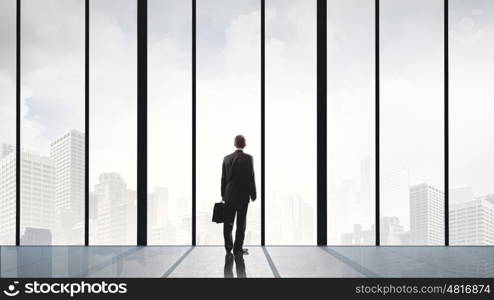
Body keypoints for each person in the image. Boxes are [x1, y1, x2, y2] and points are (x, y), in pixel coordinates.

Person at [221, 135, 257, 255]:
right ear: (244, 144)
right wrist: (253, 194)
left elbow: (223, 178)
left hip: (229, 195)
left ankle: (228, 248)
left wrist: (223, 194)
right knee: (241, 224)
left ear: (234, 144)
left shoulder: (226, 158)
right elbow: (251, 178)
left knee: (228, 223)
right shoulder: (248, 158)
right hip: (243, 196)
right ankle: (238, 249)